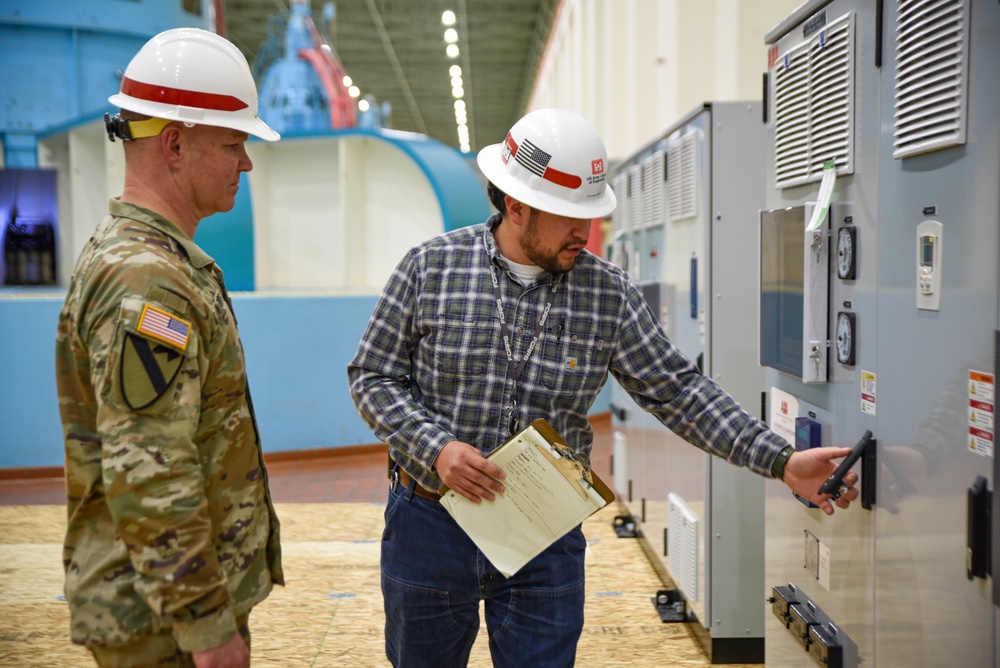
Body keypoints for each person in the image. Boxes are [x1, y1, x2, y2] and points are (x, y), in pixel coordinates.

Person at [347, 107, 860, 668]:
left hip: (543, 536)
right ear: (515, 206)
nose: (584, 232)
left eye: (591, 214)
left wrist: (781, 460)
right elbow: (373, 377)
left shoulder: (606, 292)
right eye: (568, 215)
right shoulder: (429, 268)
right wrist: (436, 448)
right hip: (430, 526)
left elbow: (679, 391)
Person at [55, 28, 283, 668]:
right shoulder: (147, 281)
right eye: (234, 143)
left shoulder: (150, 259)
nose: (246, 162)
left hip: (166, 609)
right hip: (165, 626)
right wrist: (207, 629)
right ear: (176, 144)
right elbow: (149, 469)